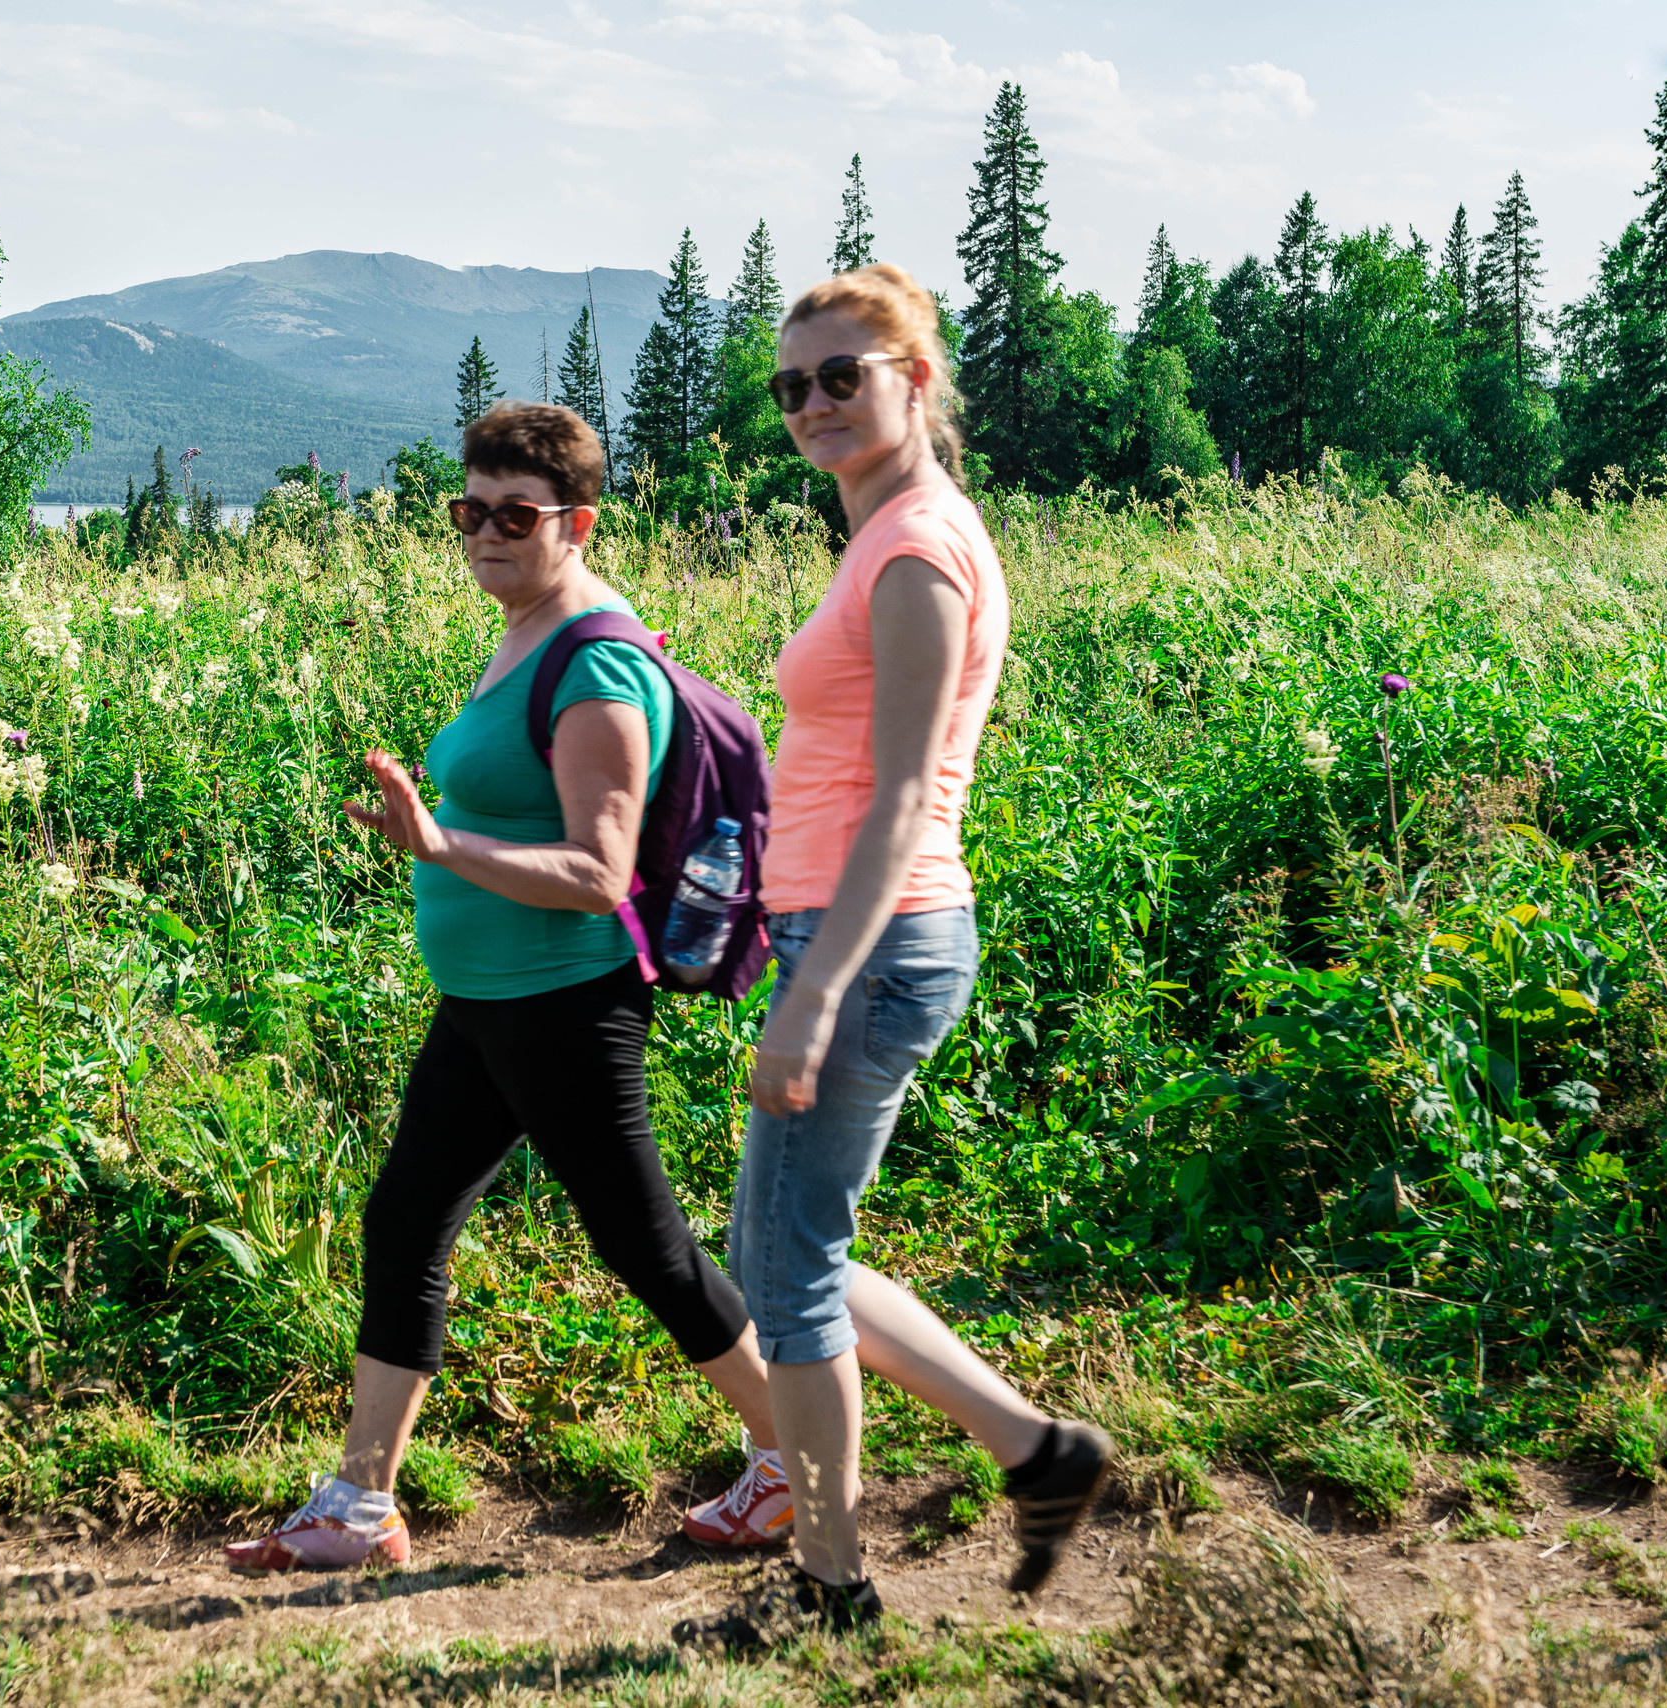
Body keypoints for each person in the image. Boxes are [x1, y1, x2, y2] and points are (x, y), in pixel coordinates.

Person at [226, 403, 790, 1570]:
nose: (485, 531)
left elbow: (598, 872)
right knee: (407, 1219)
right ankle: (361, 1504)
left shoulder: (592, 665)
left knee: (644, 1245)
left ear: (577, 522)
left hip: (565, 1002)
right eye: (466, 510)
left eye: (515, 514)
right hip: (486, 1001)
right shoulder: (523, 627)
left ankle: (795, 1463)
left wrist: (437, 849)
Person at [682, 268, 1112, 1648]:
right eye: (791, 383)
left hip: (868, 944)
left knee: (785, 1264)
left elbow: (912, 795)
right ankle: (1036, 1453)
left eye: (842, 375)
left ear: (915, 382)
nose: (811, 401)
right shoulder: (892, 536)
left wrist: (809, 994)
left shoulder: (919, 551)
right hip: (852, 935)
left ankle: (830, 1581)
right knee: (788, 1250)